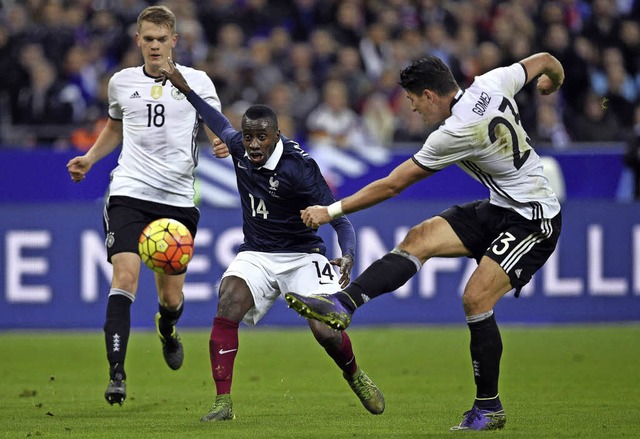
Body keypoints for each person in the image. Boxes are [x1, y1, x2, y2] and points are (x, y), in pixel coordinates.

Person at [285, 52, 565, 431]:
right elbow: (545, 60)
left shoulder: (456, 131)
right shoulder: (490, 82)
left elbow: (393, 184)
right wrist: (553, 81)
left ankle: (489, 408)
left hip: (534, 219)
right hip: (501, 206)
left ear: (431, 95)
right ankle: (343, 304)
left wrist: (329, 211)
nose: (413, 109)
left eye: (414, 100)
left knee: (476, 298)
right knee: (421, 237)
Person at [158, 59, 385, 422]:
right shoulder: (239, 148)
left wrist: (349, 254)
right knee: (228, 301)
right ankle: (222, 403)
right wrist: (184, 87)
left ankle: (354, 374)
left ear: (276, 135)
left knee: (325, 330)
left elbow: (339, 217)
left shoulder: (300, 168)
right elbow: (213, 117)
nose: (252, 144)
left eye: (261, 136)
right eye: (248, 136)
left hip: (303, 254)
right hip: (257, 253)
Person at [66, 5, 223, 406]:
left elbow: (213, 122)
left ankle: (167, 328)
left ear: (174, 41)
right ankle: (116, 373)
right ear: (138, 40)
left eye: (161, 39)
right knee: (126, 274)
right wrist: (90, 158)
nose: (154, 45)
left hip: (177, 200)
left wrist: (222, 141)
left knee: (171, 298)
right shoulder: (121, 82)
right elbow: (115, 126)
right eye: (147, 39)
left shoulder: (198, 81)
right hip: (129, 192)